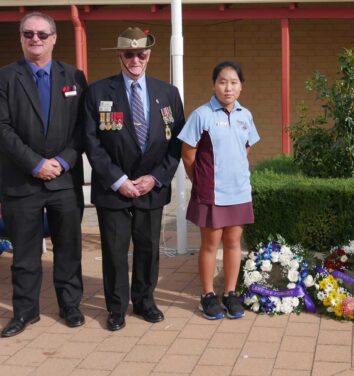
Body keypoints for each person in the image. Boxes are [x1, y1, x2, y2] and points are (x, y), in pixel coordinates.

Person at [83, 27, 184, 331]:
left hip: (150, 188)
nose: (136, 59)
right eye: (130, 54)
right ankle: (116, 308)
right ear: (119, 56)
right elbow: (92, 143)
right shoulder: (98, 92)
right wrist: (119, 180)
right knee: (114, 252)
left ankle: (144, 301)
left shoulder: (168, 93)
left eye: (142, 53)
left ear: (149, 55)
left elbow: (177, 142)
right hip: (113, 189)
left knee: (148, 249)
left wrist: (155, 178)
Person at [0, 12, 87, 337]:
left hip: (64, 181)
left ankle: (70, 306)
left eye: (41, 34)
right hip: (22, 182)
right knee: (24, 253)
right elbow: (3, 128)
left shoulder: (74, 77)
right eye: (28, 34)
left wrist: (63, 161)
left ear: (54, 38)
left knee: (68, 248)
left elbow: (83, 127)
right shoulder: (5, 78)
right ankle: (25, 312)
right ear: (21, 38)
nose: (35, 39)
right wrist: (36, 163)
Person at [178, 61, 260, 320]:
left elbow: (246, 147)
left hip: (239, 191)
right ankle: (207, 295)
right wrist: (199, 179)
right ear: (214, 85)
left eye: (234, 82)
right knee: (210, 244)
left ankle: (231, 293)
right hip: (212, 192)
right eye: (223, 82)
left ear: (241, 87)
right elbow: (188, 154)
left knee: (234, 243)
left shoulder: (245, 115)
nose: (228, 87)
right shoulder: (201, 115)